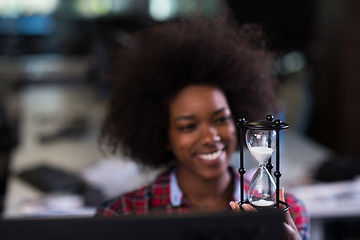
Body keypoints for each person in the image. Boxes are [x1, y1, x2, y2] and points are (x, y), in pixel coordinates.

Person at [96, 9, 309, 239]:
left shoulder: (287, 210)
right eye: (188, 126)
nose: (210, 137)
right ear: (164, 137)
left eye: (220, 119)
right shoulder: (122, 216)